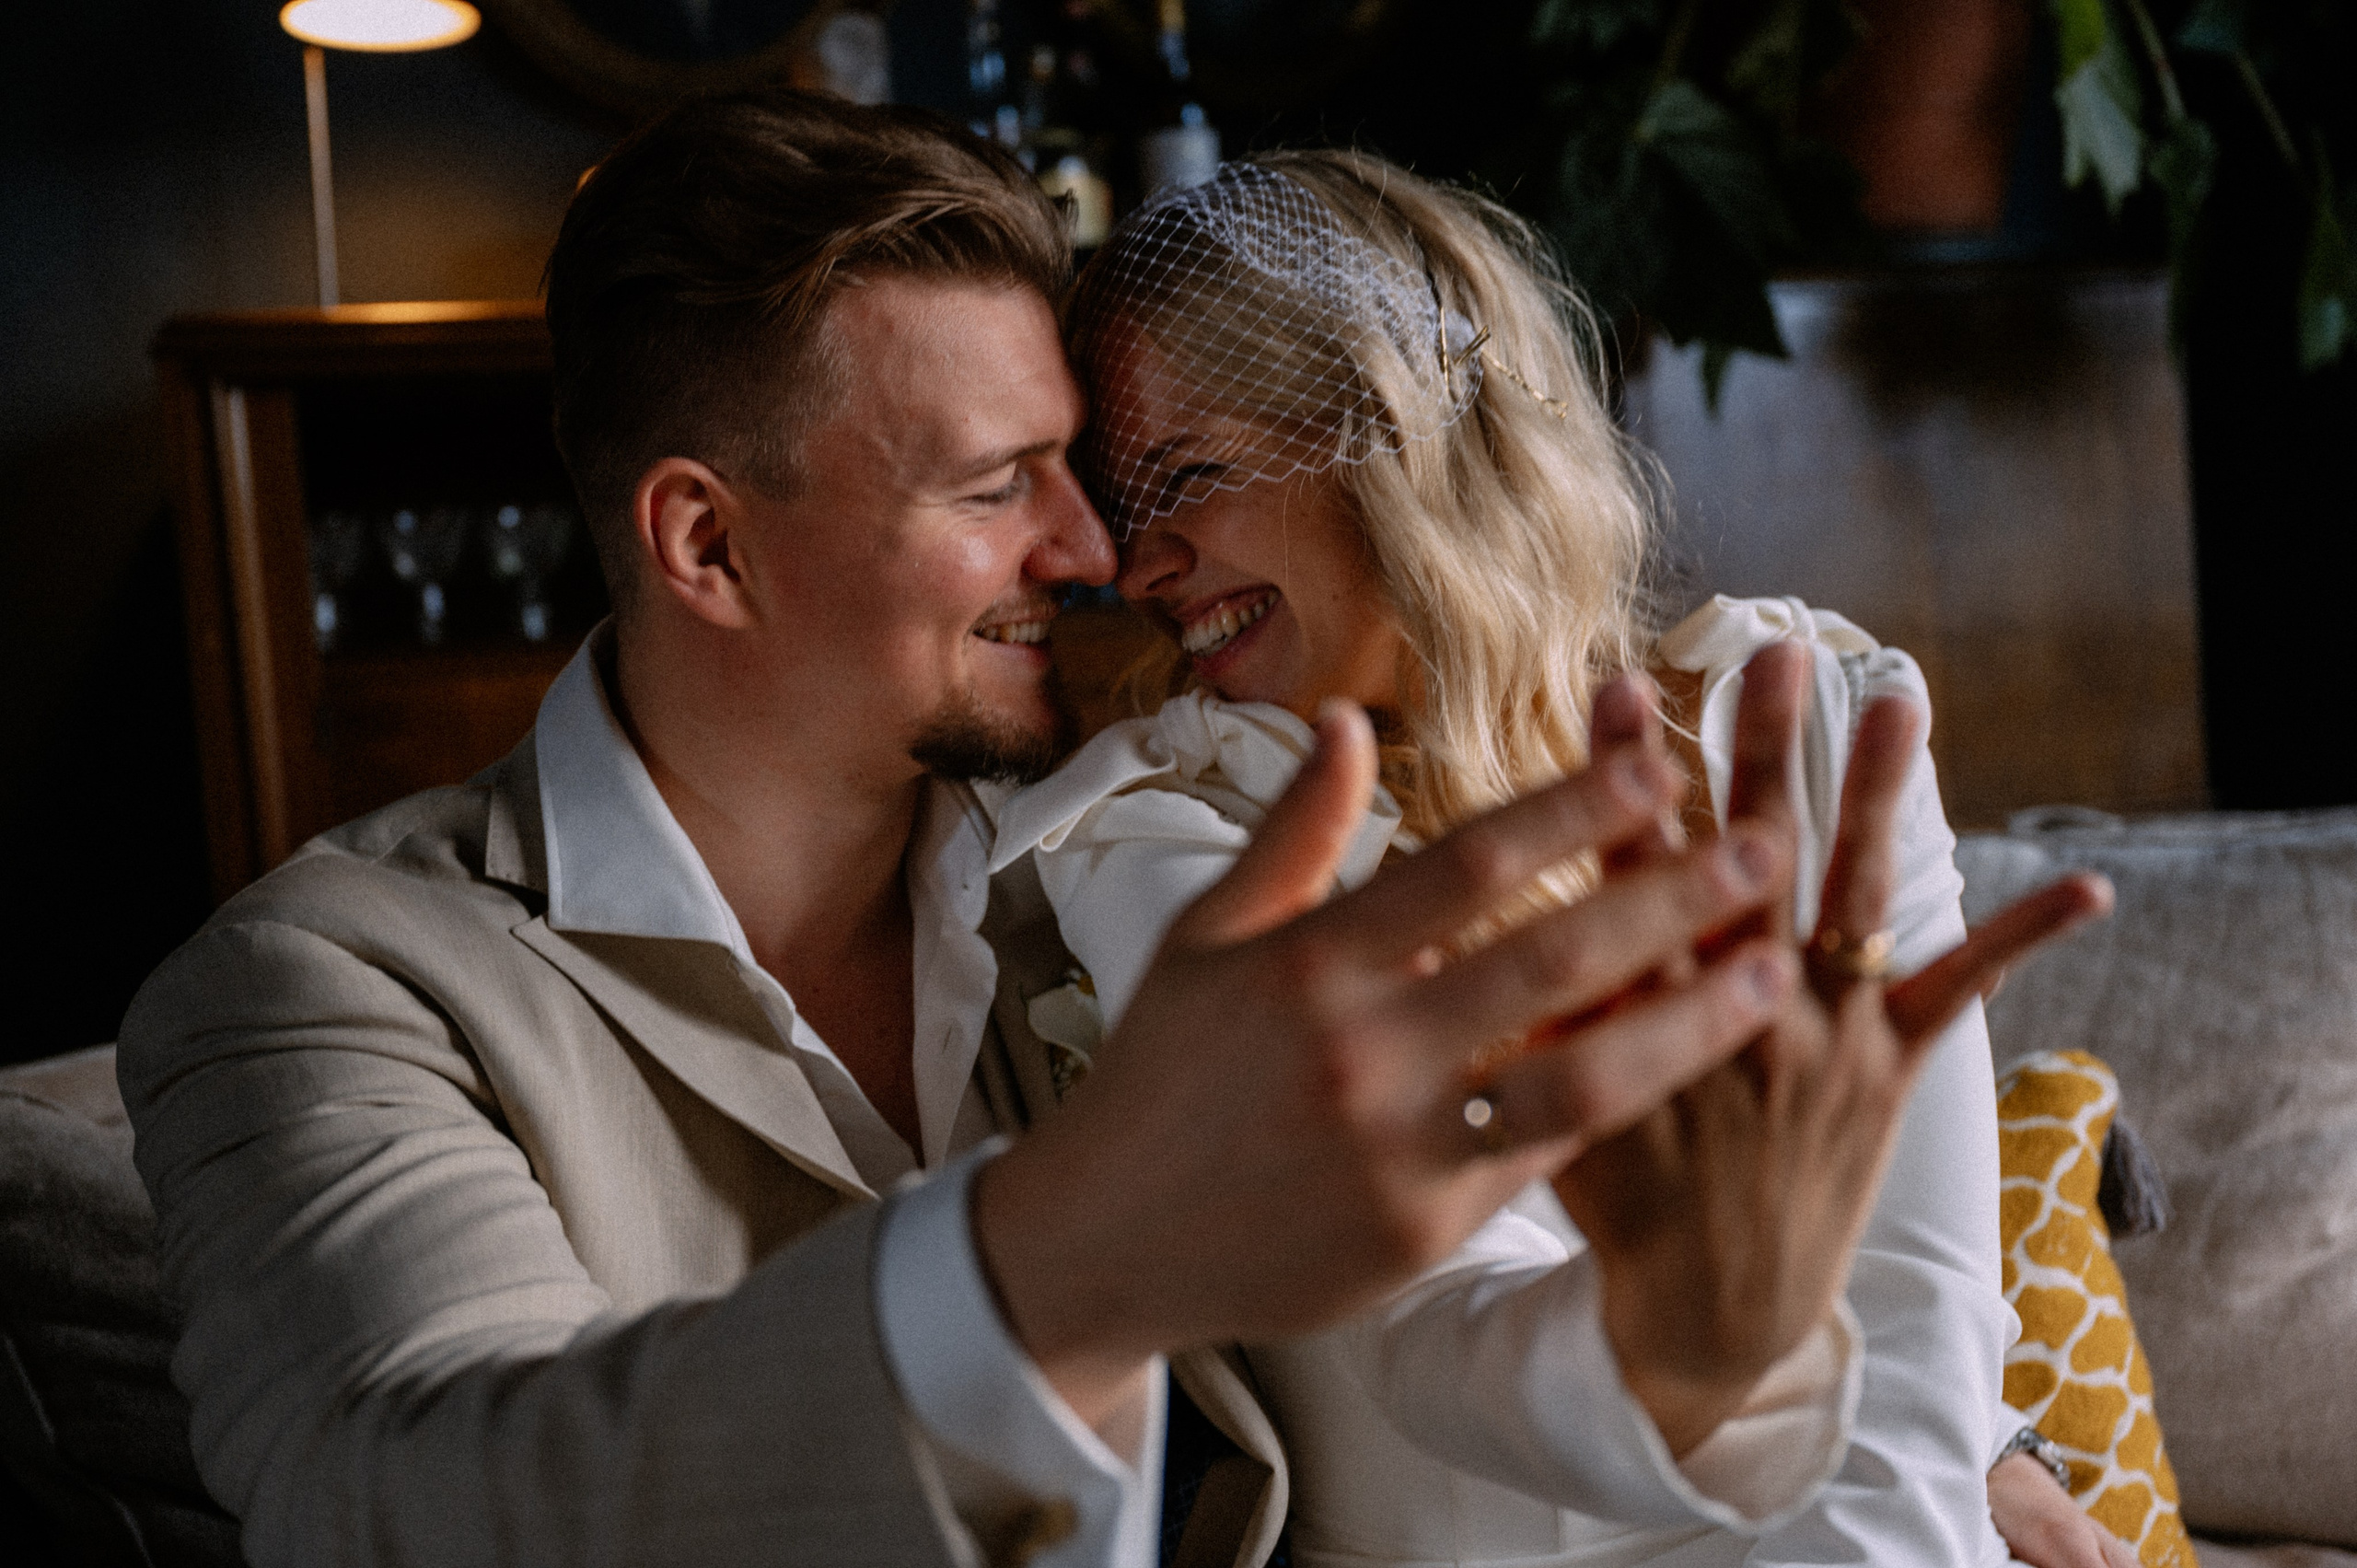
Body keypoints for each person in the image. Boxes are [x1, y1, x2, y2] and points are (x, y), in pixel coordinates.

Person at [114, 91, 2095, 1568]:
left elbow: (1538, 1317)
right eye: (1005, 485)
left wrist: (1909, 1421)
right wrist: (1056, 1265)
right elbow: (409, 1502)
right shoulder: (326, 987)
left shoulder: (1107, 837)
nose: (1092, 559)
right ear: (706, 544)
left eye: (1106, 476)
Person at [983, 152, 2121, 1565]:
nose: (1137, 568)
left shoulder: (1810, 720)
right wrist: (1691, 1331)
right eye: (1120, 508)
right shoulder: (1163, 839)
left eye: (1188, 481)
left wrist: (1941, 1501)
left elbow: (1918, 1305)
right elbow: (1418, 1343)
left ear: (1389, 430)